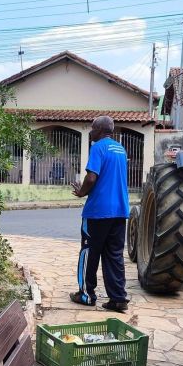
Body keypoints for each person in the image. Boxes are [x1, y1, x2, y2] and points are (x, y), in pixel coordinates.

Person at [69, 116, 130, 313]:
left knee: (89, 252)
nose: (90, 131)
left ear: (101, 130)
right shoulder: (120, 149)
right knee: (114, 255)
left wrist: (81, 192)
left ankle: (86, 295)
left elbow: (91, 177)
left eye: (93, 128)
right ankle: (118, 298)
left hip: (98, 212)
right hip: (120, 211)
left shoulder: (98, 148)